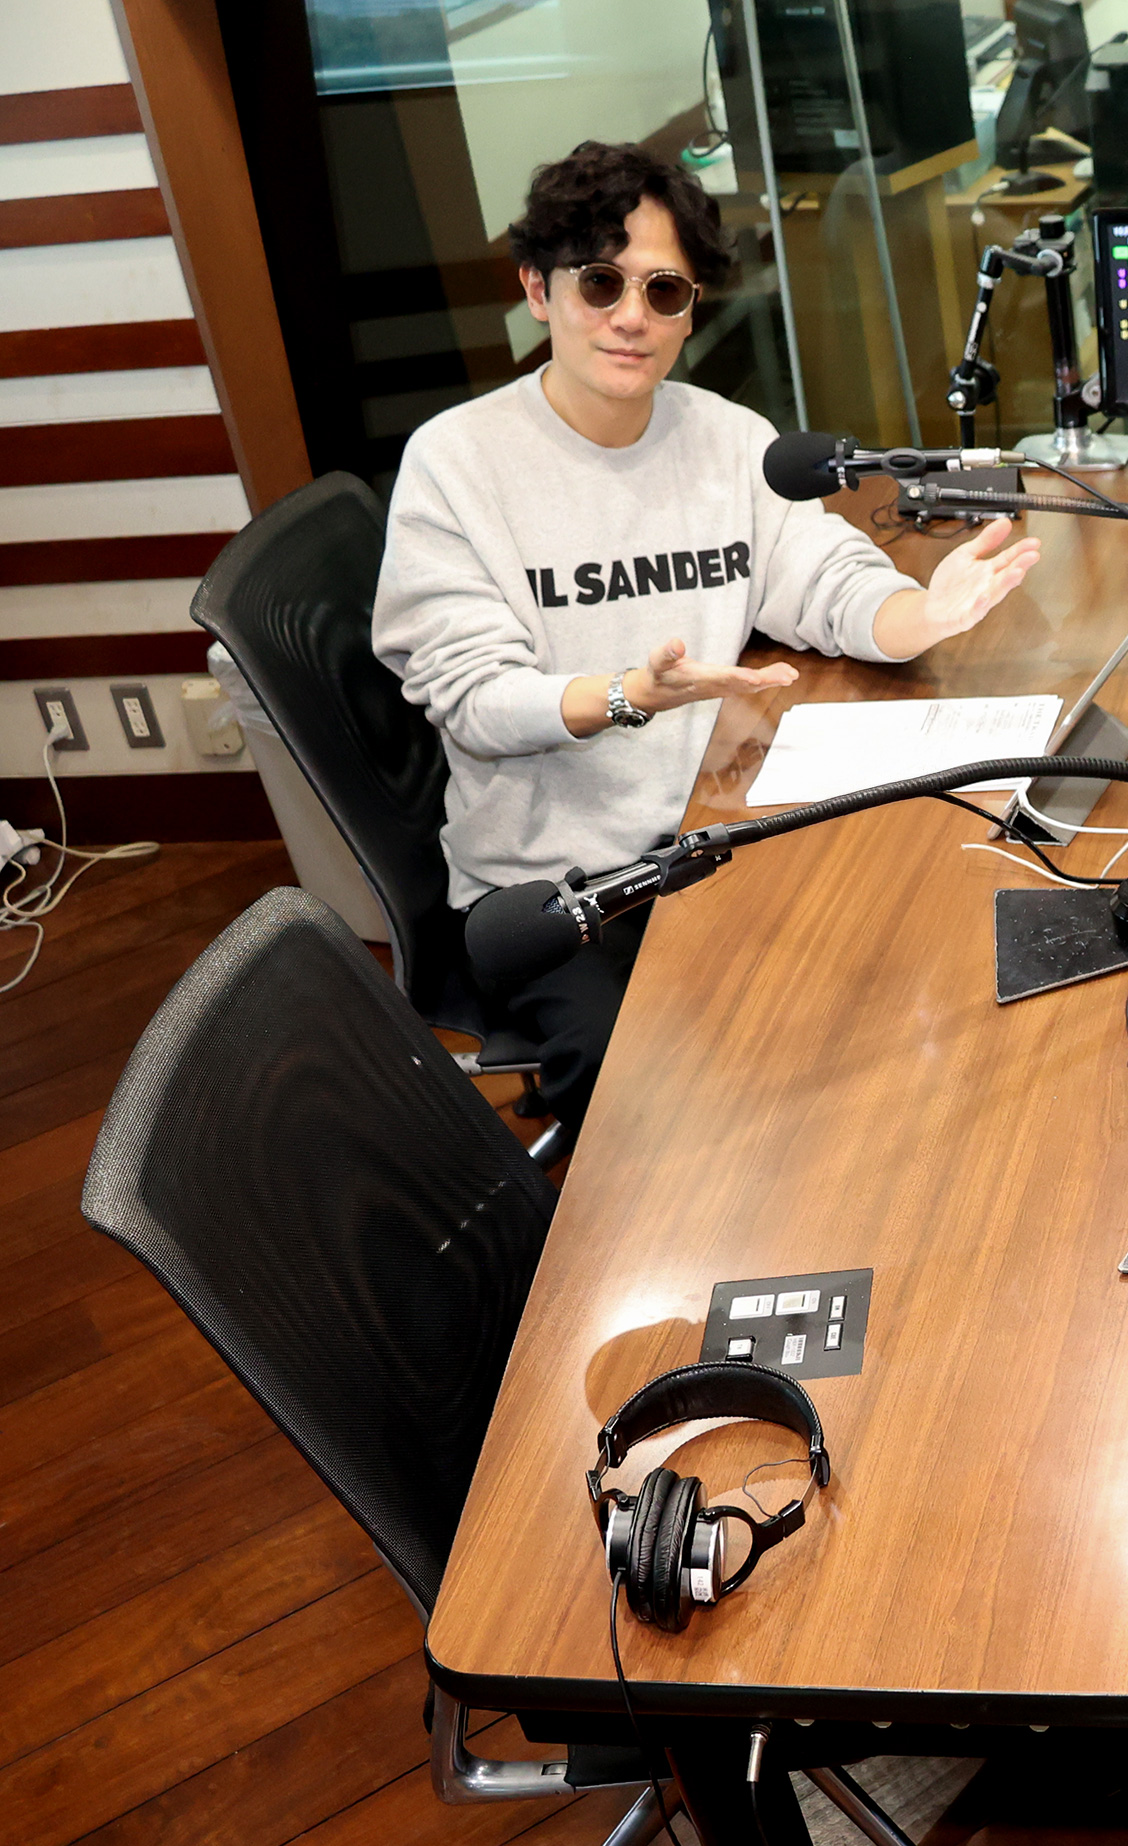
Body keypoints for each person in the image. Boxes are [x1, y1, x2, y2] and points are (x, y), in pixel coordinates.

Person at [373, 141, 1042, 1124]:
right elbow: (475, 701)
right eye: (600, 283)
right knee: (653, 1115)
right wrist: (625, 696)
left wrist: (919, 614)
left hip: (721, 836)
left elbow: (821, 575)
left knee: (895, 997)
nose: (632, 316)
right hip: (563, 888)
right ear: (537, 289)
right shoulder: (457, 464)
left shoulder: (726, 439)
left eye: (665, 291)